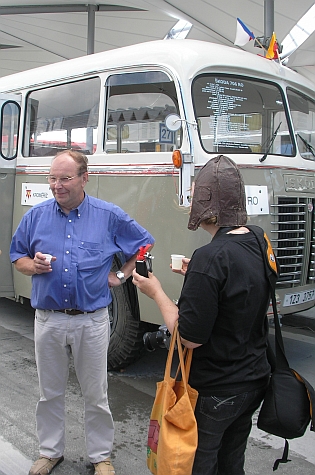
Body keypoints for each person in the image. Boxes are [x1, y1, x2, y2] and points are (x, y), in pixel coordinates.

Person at [10, 150, 154, 475]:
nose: (56, 186)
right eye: (52, 178)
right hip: (48, 319)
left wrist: (122, 275)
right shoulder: (36, 217)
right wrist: (32, 265)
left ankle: (100, 456)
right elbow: (16, 255)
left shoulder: (108, 215)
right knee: (50, 393)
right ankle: (50, 452)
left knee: (96, 393)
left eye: (64, 178)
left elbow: (144, 244)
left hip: (92, 321)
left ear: (84, 178)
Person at [132, 155, 276, 475]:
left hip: (216, 390)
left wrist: (155, 291)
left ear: (204, 202)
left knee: (200, 466)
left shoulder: (209, 258)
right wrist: (197, 279)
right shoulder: (258, 238)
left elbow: (189, 338)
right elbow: (241, 291)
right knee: (231, 464)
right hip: (254, 380)